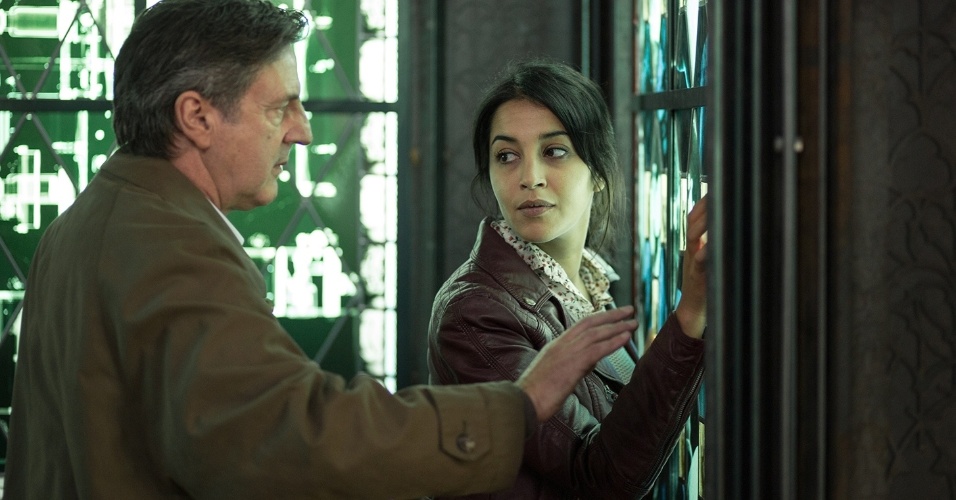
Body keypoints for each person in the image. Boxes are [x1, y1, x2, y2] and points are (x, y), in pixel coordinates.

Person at [2, 3, 642, 499]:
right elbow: (294, 436)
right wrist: (517, 408)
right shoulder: (171, 247)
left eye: (557, 151)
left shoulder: (94, 216)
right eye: (281, 107)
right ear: (197, 116)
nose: (303, 130)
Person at [427, 60, 708, 499]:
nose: (530, 178)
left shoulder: (587, 287)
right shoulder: (473, 313)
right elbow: (601, 478)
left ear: (598, 172)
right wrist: (690, 314)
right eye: (506, 156)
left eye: (554, 151)